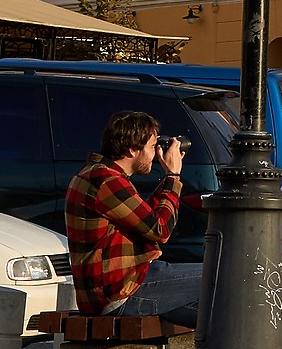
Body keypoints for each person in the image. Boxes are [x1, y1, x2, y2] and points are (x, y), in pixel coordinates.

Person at [64, 110, 199, 324]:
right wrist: (173, 176)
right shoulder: (106, 181)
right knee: (221, 274)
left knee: (212, 314)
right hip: (119, 293)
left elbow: (144, 219)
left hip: (120, 286)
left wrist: (167, 178)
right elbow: (160, 229)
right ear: (132, 149)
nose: (156, 154)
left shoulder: (98, 175)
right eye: (152, 147)